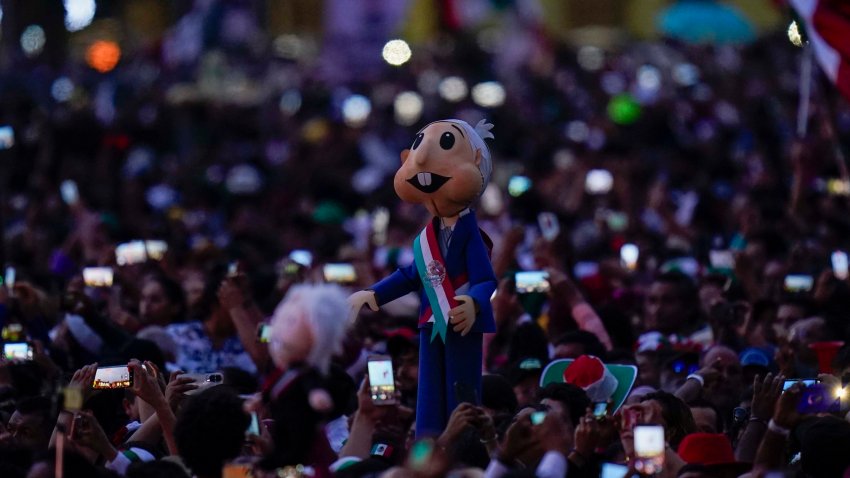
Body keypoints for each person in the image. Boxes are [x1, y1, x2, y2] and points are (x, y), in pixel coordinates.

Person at [349, 119, 499, 438]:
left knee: (460, 392)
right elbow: (412, 275)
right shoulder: (426, 237)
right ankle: (427, 445)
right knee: (429, 393)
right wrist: (374, 294)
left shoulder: (471, 234)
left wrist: (473, 302)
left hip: (460, 320)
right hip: (431, 320)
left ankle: (462, 448)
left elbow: (487, 279)